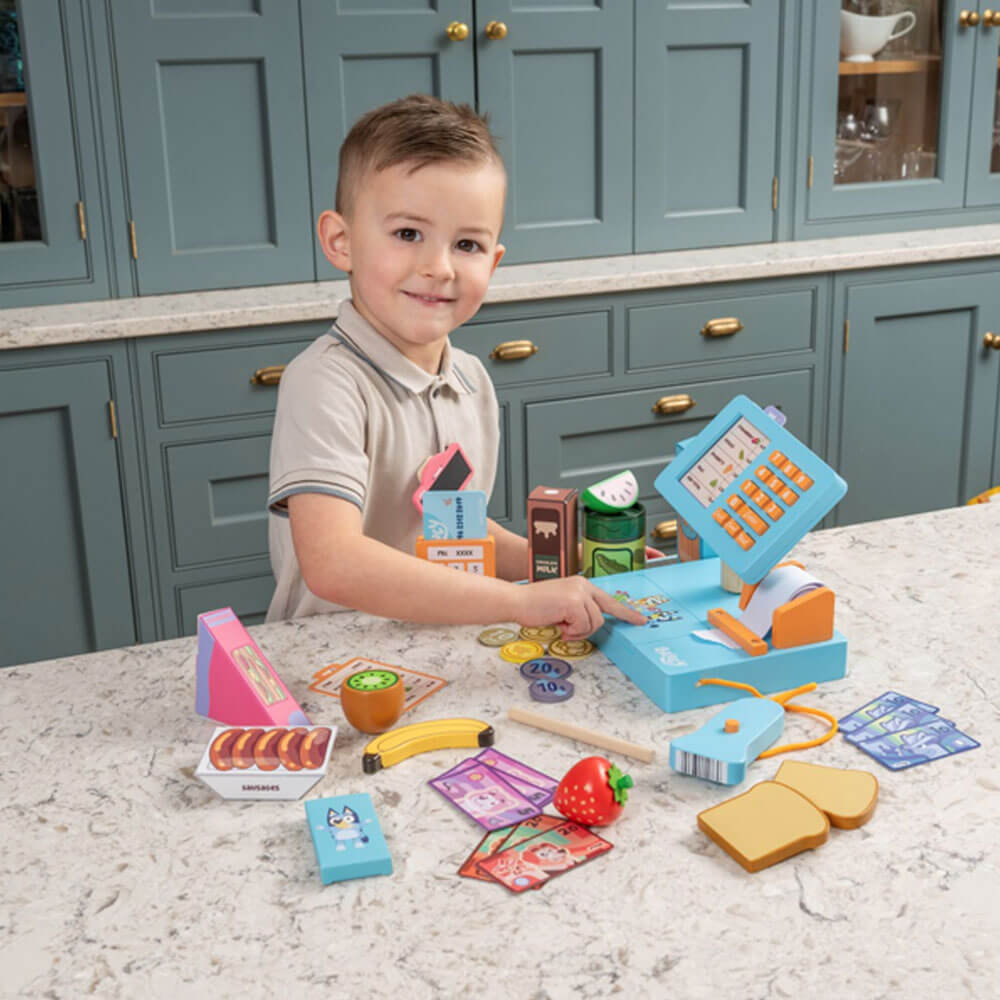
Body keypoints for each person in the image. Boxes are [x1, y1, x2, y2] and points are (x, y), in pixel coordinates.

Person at [266, 94, 645, 640]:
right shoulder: (325, 382)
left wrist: (572, 563)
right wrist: (519, 601)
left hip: (444, 640)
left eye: (466, 243)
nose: (438, 267)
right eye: (407, 234)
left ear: (492, 262)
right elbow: (334, 563)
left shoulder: (470, 379)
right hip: (339, 655)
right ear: (340, 241)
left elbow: (450, 531)